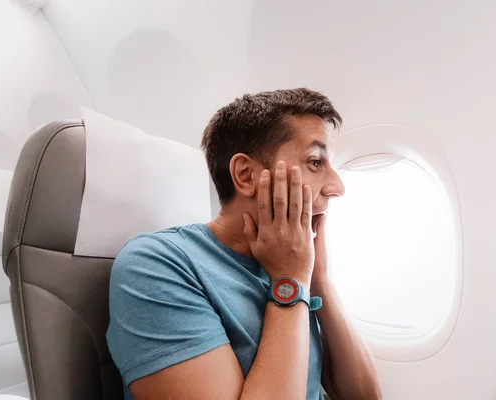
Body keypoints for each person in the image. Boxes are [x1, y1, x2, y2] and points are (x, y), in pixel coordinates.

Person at [106, 88, 382, 400]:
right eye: (315, 162)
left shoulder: (293, 262)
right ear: (246, 175)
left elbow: (365, 396)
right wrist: (288, 282)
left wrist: (318, 281)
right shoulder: (156, 265)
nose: (337, 186)